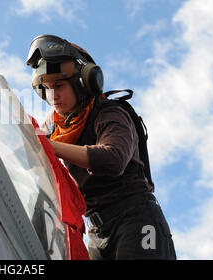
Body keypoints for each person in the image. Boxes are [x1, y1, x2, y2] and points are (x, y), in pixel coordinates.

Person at [26, 34, 176, 260]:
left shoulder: (110, 113)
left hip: (136, 220)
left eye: (59, 85)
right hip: (96, 231)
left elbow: (113, 158)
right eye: (46, 88)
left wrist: (49, 147)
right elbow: (27, 155)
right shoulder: (54, 128)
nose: (53, 95)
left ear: (83, 82)